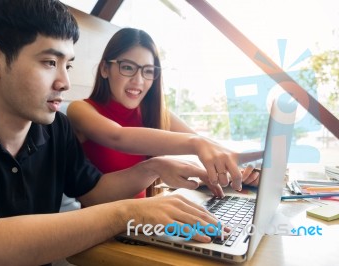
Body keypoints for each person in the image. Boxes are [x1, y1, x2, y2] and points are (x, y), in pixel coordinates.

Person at [0, 1, 225, 265]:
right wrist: (129, 213)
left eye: (68, 64)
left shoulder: (55, 128)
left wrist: (154, 167)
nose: (64, 82)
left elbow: (94, 192)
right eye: (50, 62)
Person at [67, 27, 261, 198]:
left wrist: (240, 170)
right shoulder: (80, 109)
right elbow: (118, 136)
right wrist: (197, 144)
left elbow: (204, 145)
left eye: (148, 71)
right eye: (127, 67)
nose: (139, 80)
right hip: (101, 228)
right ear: (104, 69)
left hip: (145, 220)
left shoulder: (152, 112)